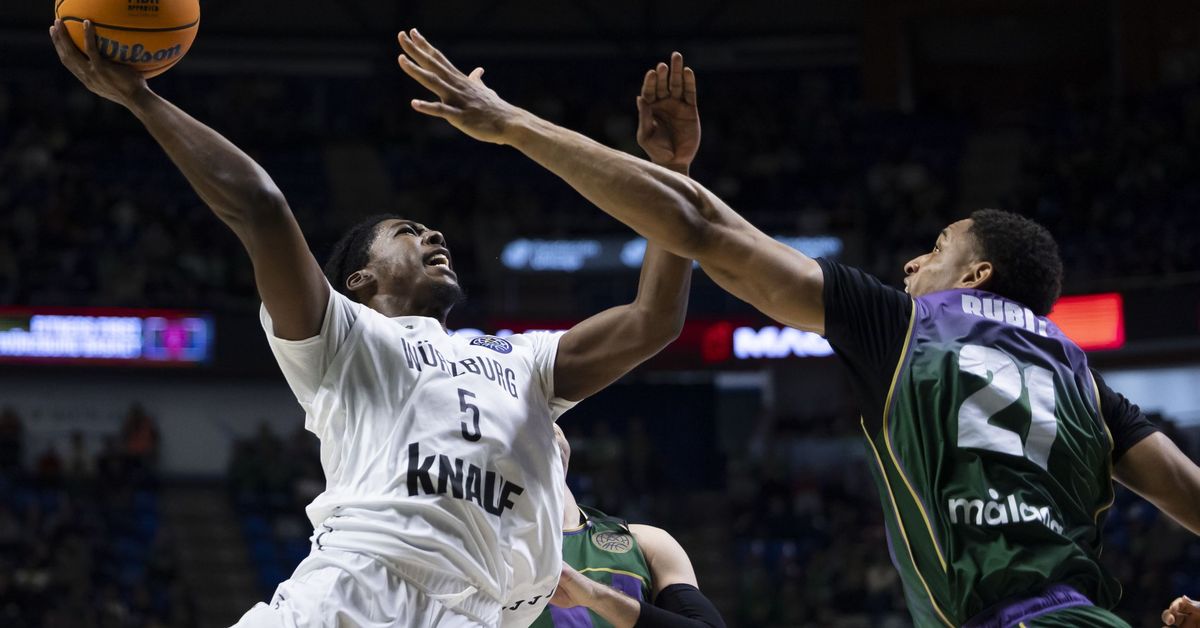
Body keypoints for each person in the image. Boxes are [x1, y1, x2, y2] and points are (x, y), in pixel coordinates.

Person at [394, 29, 1200, 626]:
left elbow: (703, 228)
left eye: (935, 248)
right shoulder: (1085, 382)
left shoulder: (907, 326)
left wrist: (513, 125)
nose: (913, 264)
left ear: (977, 275)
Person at [51, 20, 693, 628]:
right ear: (359, 280)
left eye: (431, 229)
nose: (434, 235)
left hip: (474, 613)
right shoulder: (343, 338)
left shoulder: (522, 360)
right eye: (407, 232)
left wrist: (672, 176)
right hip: (355, 591)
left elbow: (654, 320)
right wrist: (139, 98)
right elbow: (259, 206)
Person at [538, 425, 726, 628]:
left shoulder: (648, 541)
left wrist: (595, 595)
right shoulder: (511, 557)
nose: (544, 426)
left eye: (550, 418)